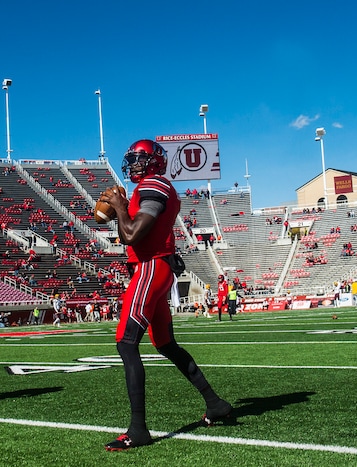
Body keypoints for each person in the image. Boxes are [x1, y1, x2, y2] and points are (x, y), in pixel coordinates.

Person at [98, 139, 231, 451]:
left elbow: (132, 234)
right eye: (129, 159)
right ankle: (215, 403)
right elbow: (128, 231)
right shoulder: (154, 186)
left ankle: (138, 429)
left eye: (136, 159)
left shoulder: (154, 185)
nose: (131, 165)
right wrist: (117, 211)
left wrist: (118, 206)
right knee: (166, 344)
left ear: (153, 161)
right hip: (156, 266)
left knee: (126, 344)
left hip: (150, 267)